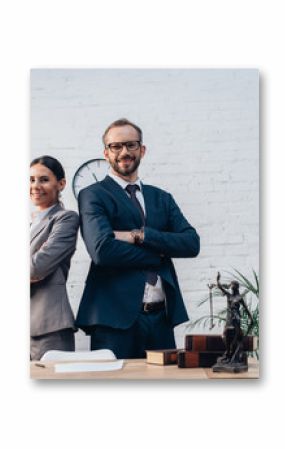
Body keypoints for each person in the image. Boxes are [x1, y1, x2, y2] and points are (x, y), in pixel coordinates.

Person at [76, 118, 200, 358]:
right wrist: (159, 253)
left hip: (161, 318)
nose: (124, 152)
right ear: (106, 153)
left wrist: (140, 236)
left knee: (164, 391)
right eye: (116, 146)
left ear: (142, 150)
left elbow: (191, 243)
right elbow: (103, 251)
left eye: (131, 145)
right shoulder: (93, 195)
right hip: (113, 319)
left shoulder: (161, 197)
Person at [30, 156, 79, 360]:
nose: (35, 186)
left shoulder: (65, 219)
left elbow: (36, 268)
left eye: (43, 179)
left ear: (61, 184)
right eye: (31, 180)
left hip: (49, 327)